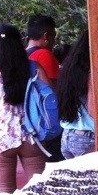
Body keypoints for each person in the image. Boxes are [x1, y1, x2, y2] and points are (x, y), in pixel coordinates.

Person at [0, 23, 49, 194]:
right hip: (32, 136)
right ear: (19, 42)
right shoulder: (34, 67)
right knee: (37, 193)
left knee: (4, 193)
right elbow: (48, 98)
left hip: (1, 137)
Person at [25, 14, 63, 160]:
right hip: (48, 123)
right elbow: (54, 92)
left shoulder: (22, 56)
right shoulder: (45, 55)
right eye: (53, 36)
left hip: (31, 124)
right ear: (46, 36)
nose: (54, 41)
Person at [57, 31, 96, 160]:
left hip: (68, 136)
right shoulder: (92, 73)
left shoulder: (68, 70)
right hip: (88, 138)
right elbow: (93, 110)